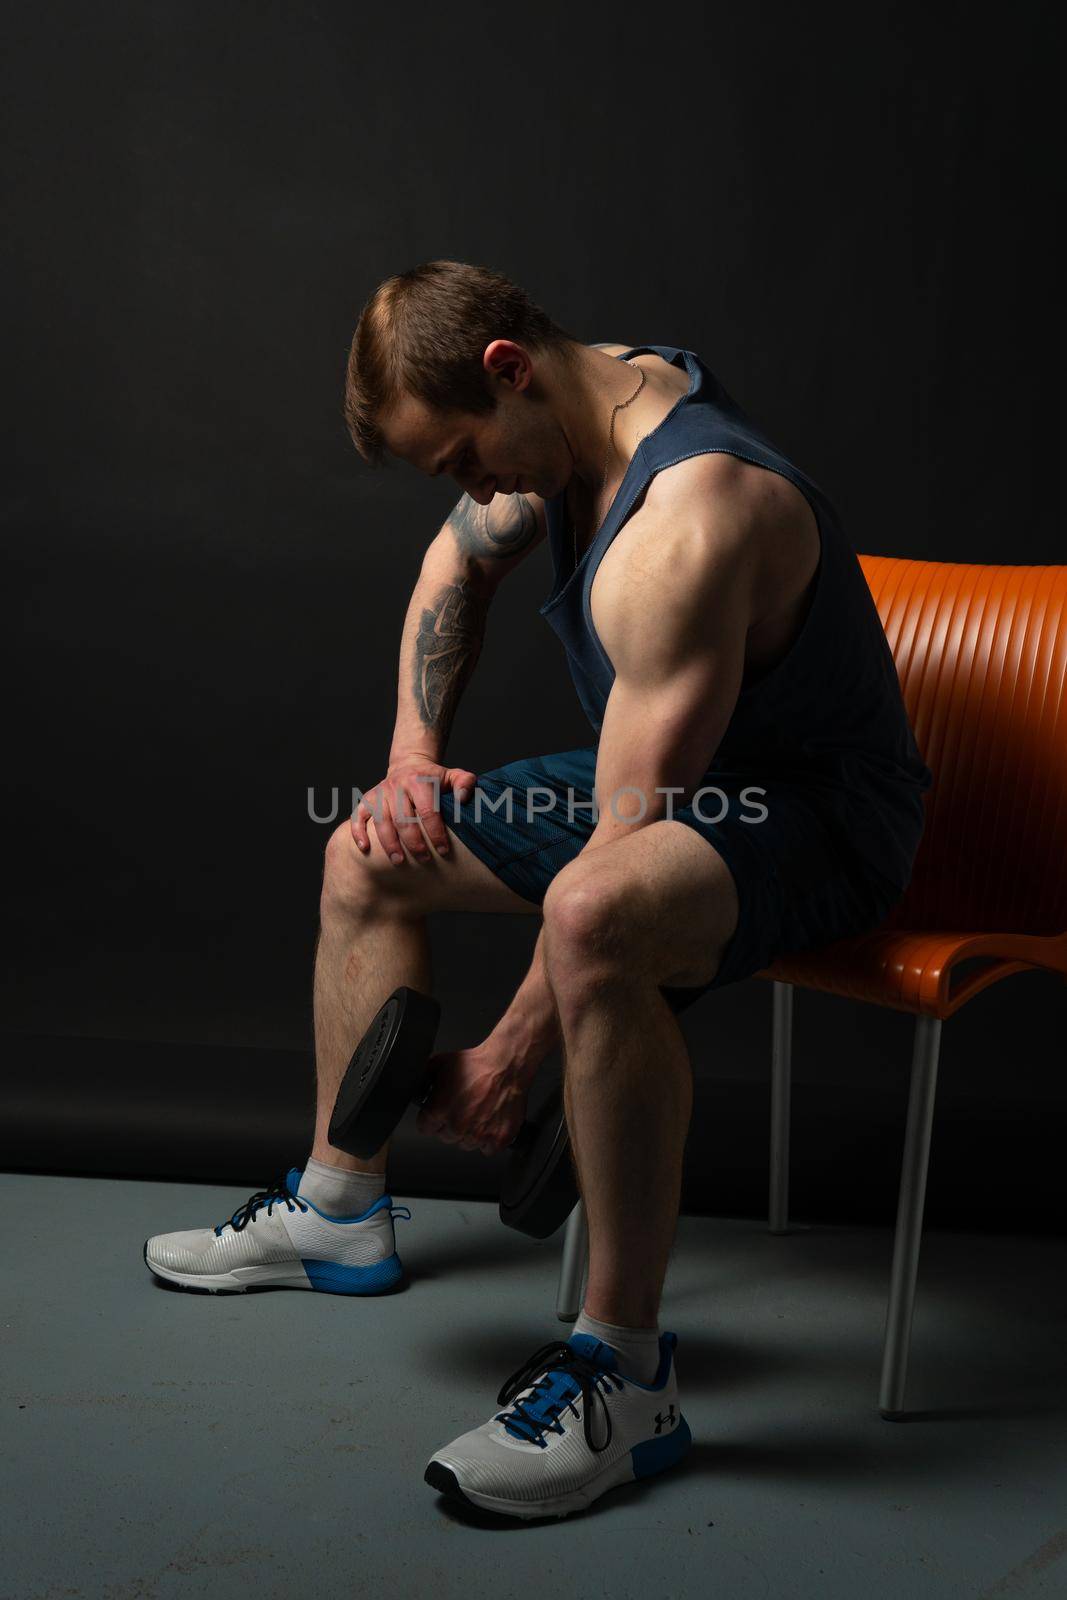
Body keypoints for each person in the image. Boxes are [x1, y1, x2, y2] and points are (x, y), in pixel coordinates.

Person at [144, 259, 933, 1521]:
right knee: (366, 849)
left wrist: (515, 1052)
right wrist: (409, 762)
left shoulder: (689, 517)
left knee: (592, 920)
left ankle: (623, 1373)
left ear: (508, 368)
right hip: (673, 771)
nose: (476, 490)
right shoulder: (558, 429)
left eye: (464, 457)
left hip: (816, 814)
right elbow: (449, 572)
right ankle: (340, 1207)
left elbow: (625, 839)